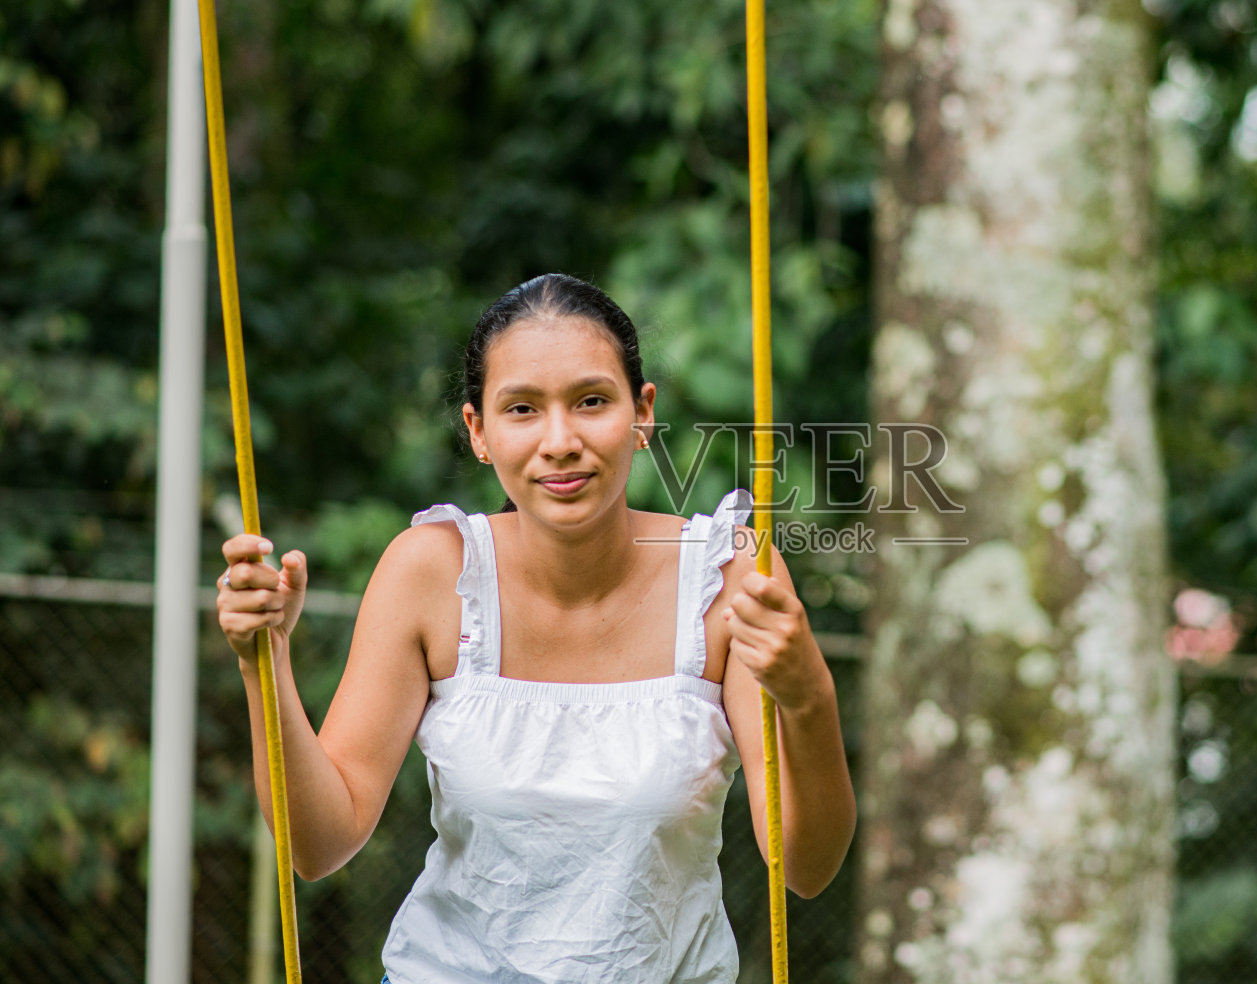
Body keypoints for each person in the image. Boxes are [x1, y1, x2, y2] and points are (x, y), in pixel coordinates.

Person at [215, 273, 856, 983]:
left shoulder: (728, 575)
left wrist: (809, 698)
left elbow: (806, 868)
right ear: (478, 432)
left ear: (643, 414)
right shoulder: (431, 572)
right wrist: (264, 663)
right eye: (522, 409)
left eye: (591, 401)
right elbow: (319, 845)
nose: (560, 441)